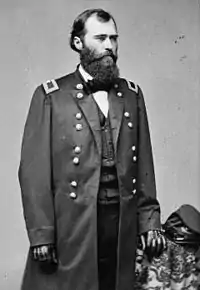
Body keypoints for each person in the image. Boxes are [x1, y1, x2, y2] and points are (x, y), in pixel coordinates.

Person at [18, 8, 166, 290]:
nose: (109, 46)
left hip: (121, 219)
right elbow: (33, 172)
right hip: (72, 222)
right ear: (78, 43)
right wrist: (41, 235)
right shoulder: (51, 96)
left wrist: (150, 220)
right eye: (100, 38)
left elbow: (144, 163)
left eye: (114, 38)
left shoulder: (132, 94)